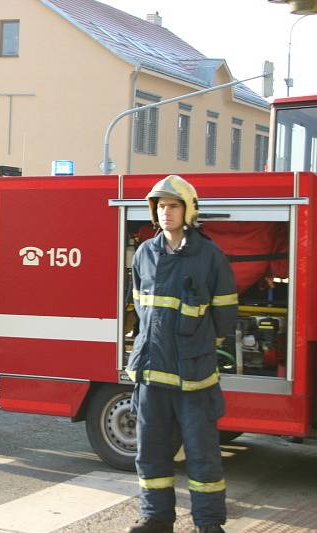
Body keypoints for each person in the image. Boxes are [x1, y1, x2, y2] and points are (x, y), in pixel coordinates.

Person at [126, 175, 238, 533]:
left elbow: (225, 317)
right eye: (160, 206)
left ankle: (208, 525)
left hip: (194, 375)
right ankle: (157, 518)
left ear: (188, 210)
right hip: (152, 371)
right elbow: (141, 309)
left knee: (202, 456)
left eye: (173, 205)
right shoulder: (145, 253)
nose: (166, 212)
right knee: (150, 451)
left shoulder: (209, 255)